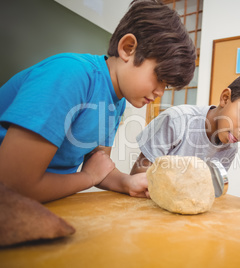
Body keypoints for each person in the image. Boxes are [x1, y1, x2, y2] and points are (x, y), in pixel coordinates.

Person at [0, 0, 196, 203]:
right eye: (159, 77)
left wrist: (127, 183)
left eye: (167, 86)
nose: (160, 92)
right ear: (128, 48)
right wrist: (87, 178)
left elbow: (98, 164)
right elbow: (12, 186)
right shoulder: (70, 75)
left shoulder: (118, 100)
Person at [131, 71, 240, 204]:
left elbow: (209, 189)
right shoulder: (177, 120)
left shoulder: (230, 147)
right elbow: (138, 176)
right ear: (225, 98)